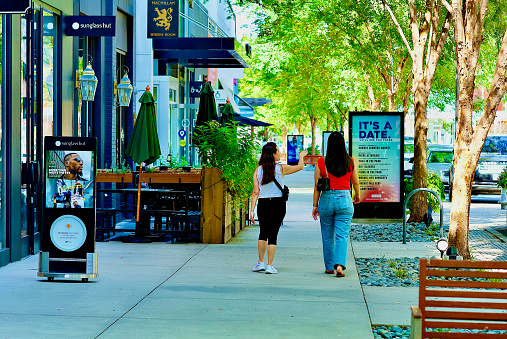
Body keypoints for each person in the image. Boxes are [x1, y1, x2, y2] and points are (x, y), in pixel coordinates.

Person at [250, 142, 308, 274]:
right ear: (273, 154)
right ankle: (270, 265)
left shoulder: (258, 170)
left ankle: (260, 263)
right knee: (273, 234)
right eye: (278, 150)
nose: (280, 152)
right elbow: (300, 167)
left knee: (263, 232)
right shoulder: (281, 168)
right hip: (278, 204)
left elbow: (255, 192)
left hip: (263, 204)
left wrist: (252, 209)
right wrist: (301, 156)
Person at [312, 132, 360, 277]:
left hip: (326, 199)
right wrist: (356, 194)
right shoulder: (350, 161)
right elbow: (355, 182)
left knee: (327, 235)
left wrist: (315, 205)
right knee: (342, 235)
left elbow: (317, 186)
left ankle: (329, 267)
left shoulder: (321, 162)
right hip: (344, 198)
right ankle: (339, 265)